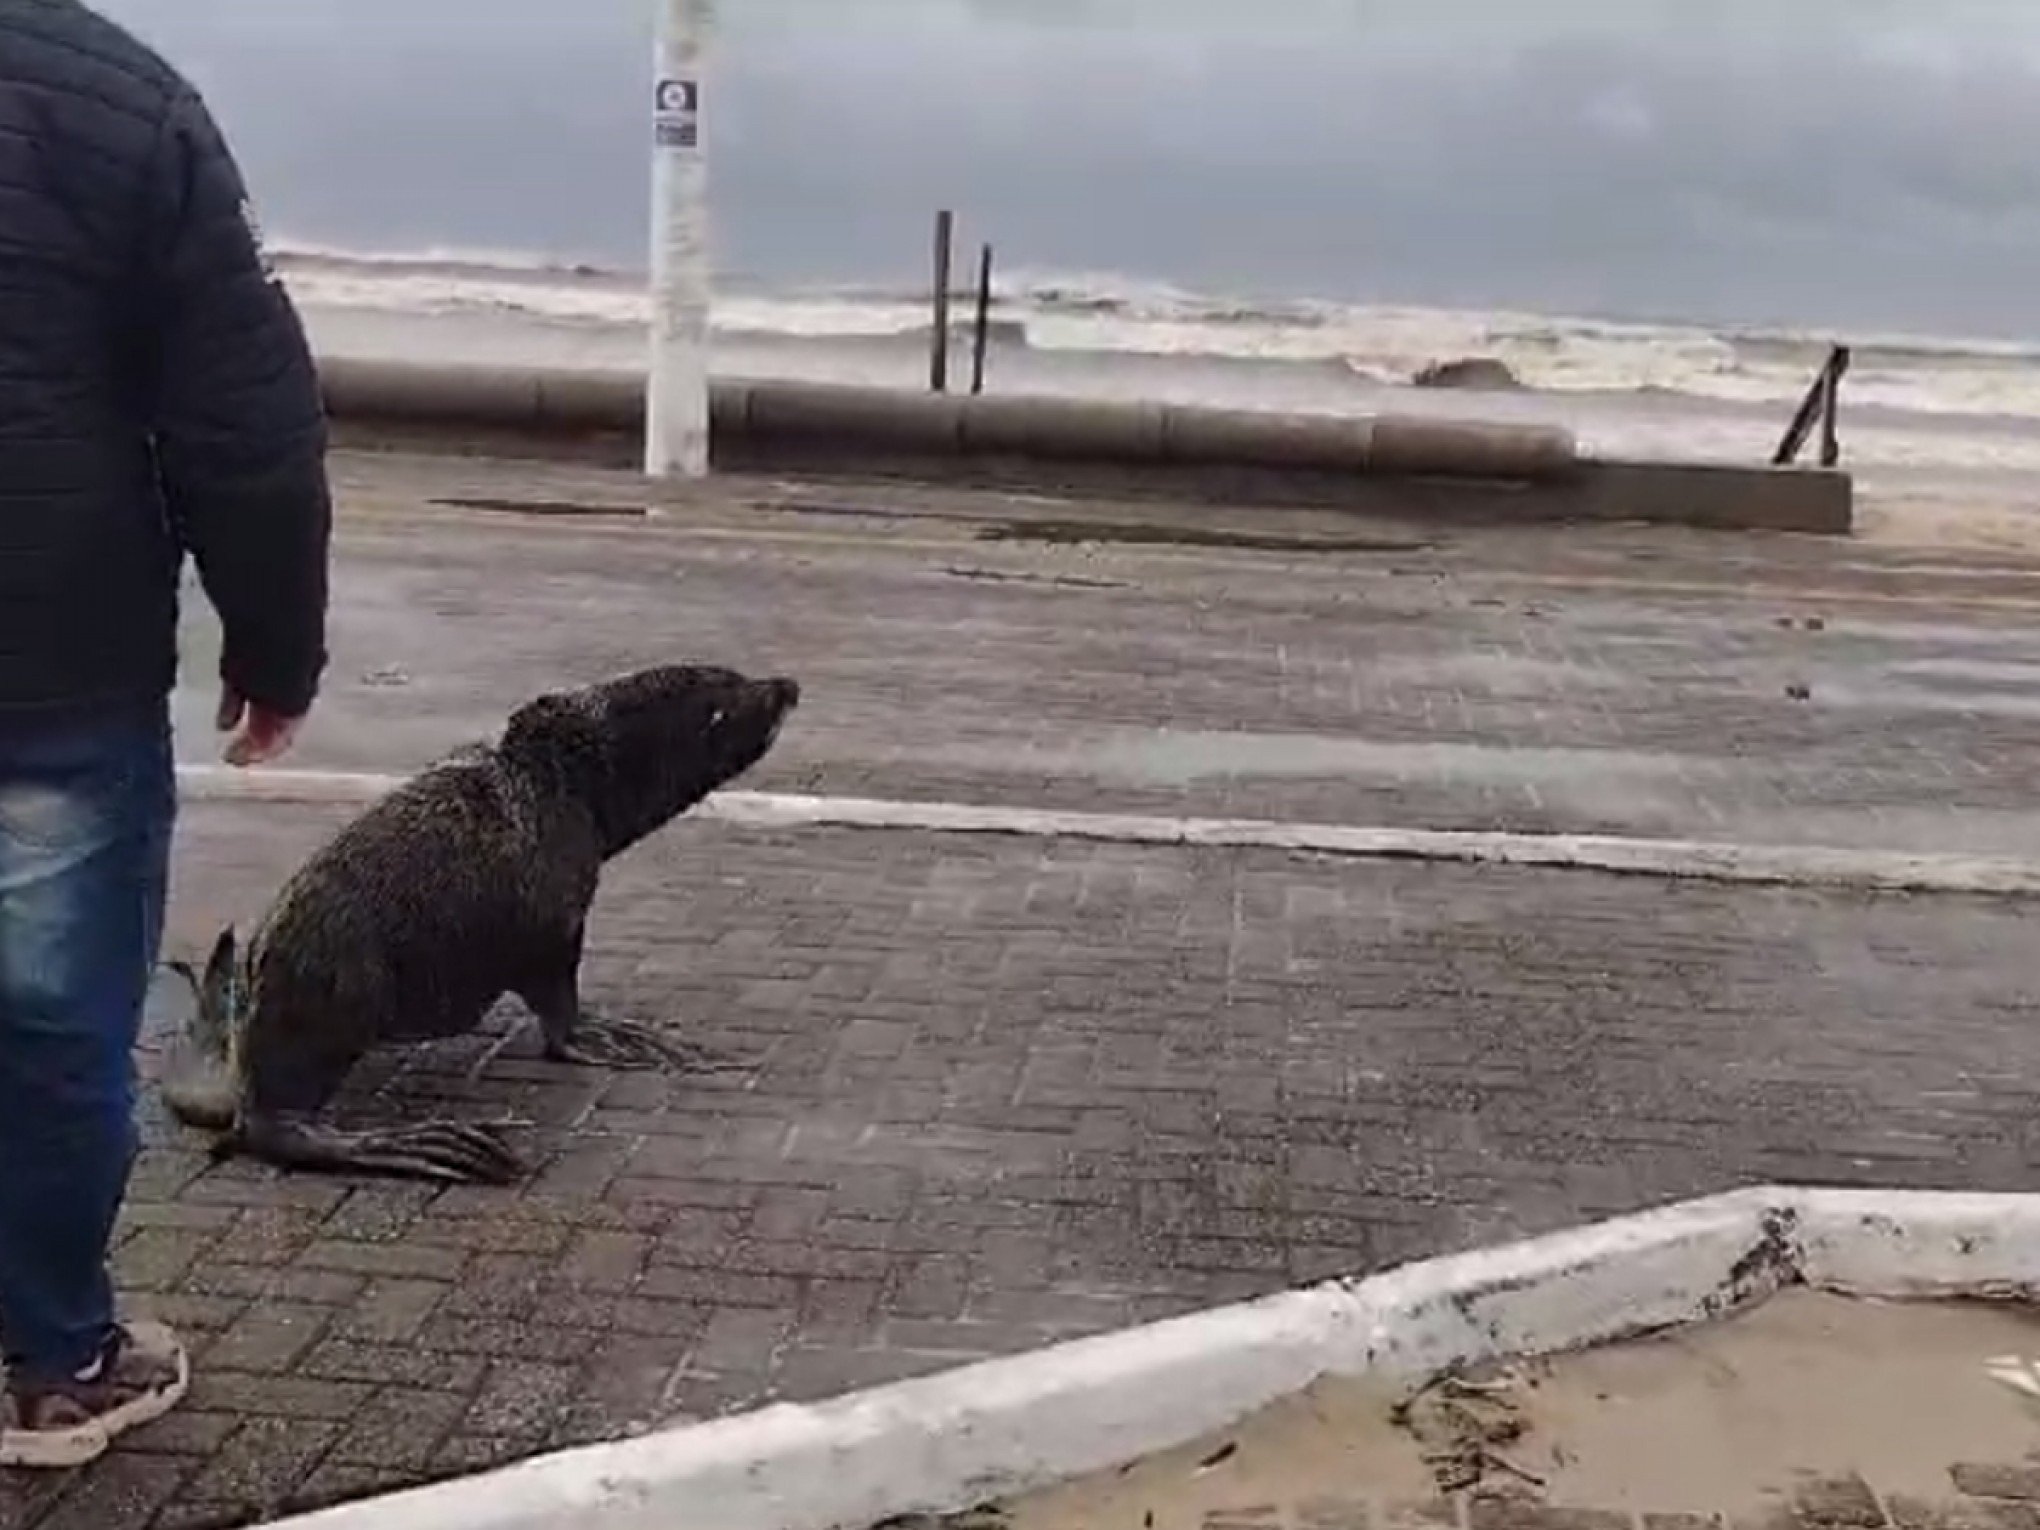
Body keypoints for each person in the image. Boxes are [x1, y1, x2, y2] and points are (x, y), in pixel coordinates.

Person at [0, 0, 332, 1468]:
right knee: (55, 1028)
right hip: (50, 669)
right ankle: (57, 1363)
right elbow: (247, 418)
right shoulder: (120, 103)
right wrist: (273, 647)